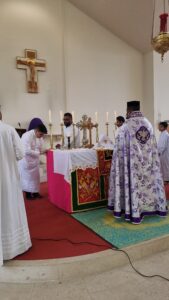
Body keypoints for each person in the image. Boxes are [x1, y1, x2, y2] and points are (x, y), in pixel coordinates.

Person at [108, 100, 167, 224]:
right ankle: (151, 207)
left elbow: (118, 152)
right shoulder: (149, 125)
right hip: (147, 167)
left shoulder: (125, 127)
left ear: (129, 111)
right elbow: (154, 148)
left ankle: (132, 210)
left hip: (132, 169)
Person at [0, 112, 31, 265]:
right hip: (7, 178)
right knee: (9, 208)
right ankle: (13, 247)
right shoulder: (8, 129)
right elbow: (20, 154)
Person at [19, 124, 47, 199]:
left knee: (35, 178)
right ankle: (28, 195)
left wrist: (44, 150)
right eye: (41, 134)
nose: (41, 136)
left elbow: (41, 147)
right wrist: (38, 153)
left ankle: (35, 193)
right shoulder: (26, 136)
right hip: (26, 161)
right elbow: (26, 150)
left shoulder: (40, 137)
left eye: (43, 135)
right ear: (36, 131)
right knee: (27, 178)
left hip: (35, 161)